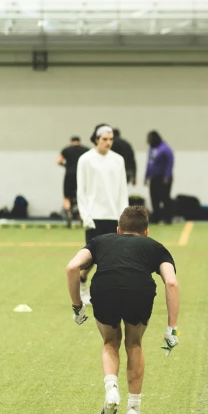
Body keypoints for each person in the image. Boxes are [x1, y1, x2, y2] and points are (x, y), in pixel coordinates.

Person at [66, 206, 179, 414]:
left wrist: (77, 306)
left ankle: (111, 389)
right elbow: (172, 283)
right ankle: (133, 412)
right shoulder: (155, 246)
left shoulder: (100, 241)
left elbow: (72, 267)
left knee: (110, 342)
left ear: (118, 230)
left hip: (104, 288)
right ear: (146, 231)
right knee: (134, 344)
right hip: (139, 290)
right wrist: (172, 329)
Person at [76, 124, 129, 304]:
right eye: (105, 139)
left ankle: (107, 292)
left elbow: (123, 189)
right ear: (96, 139)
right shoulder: (85, 159)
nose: (108, 143)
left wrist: (125, 215)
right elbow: (81, 189)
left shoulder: (118, 160)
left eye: (111, 139)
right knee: (92, 257)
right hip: (94, 215)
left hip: (114, 215)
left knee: (114, 257)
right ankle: (82, 281)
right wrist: (85, 214)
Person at [56, 136, 89, 226]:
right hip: (81, 176)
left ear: (71, 142)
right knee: (82, 196)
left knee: (67, 196)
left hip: (69, 175)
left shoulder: (66, 149)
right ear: (79, 141)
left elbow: (58, 161)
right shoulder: (85, 150)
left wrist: (66, 166)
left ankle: (68, 213)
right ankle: (81, 215)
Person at [145, 131, 175, 224]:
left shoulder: (165, 148)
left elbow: (170, 162)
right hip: (154, 177)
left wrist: (167, 176)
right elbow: (149, 163)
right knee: (154, 198)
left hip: (163, 178)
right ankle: (156, 217)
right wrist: (146, 176)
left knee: (165, 198)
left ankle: (167, 218)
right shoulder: (151, 149)